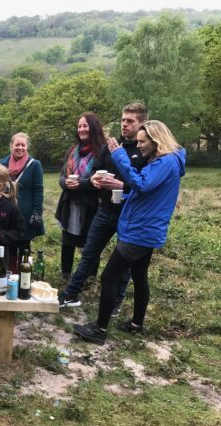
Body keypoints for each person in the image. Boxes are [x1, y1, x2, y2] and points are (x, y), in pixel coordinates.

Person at [73, 120, 186, 344]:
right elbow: (147, 193)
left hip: (140, 232)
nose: (140, 145)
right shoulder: (166, 162)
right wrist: (122, 193)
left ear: (156, 141)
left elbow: (141, 184)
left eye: (143, 142)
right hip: (147, 229)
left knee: (109, 277)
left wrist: (120, 156)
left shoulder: (166, 162)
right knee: (139, 276)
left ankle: (100, 329)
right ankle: (136, 324)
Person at [58, 103, 149, 310]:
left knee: (124, 260)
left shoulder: (145, 150)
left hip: (129, 213)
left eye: (130, 121)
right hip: (105, 210)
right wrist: (96, 181)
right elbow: (97, 170)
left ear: (142, 123)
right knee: (89, 253)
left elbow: (146, 183)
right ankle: (71, 293)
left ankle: (116, 301)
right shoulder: (112, 146)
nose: (124, 124)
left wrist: (122, 185)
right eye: (123, 120)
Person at [54, 112, 104, 285]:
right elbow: (61, 177)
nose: (82, 129)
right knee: (67, 241)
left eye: (85, 126)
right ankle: (65, 274)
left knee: (91, 243)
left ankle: (90, 279)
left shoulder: (102, 151)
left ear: (94, 128)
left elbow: (101, 180)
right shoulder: (72, 151)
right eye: (79, 126)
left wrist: (81, 185)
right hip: (70, 204)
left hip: (91, 206)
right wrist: (66, 183)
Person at [0, 132, 45, 266]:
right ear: (11, 146)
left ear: (27, 147)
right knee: (9, 244)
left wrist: (37, 212)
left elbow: (38, 190)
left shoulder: (35, 165)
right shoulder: (2, 164)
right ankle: (10, 274)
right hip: (6, 211)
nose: (20, 148)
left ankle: (24, 276)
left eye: (23, 145)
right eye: (17, 145)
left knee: (24, 245)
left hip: (26, 212)